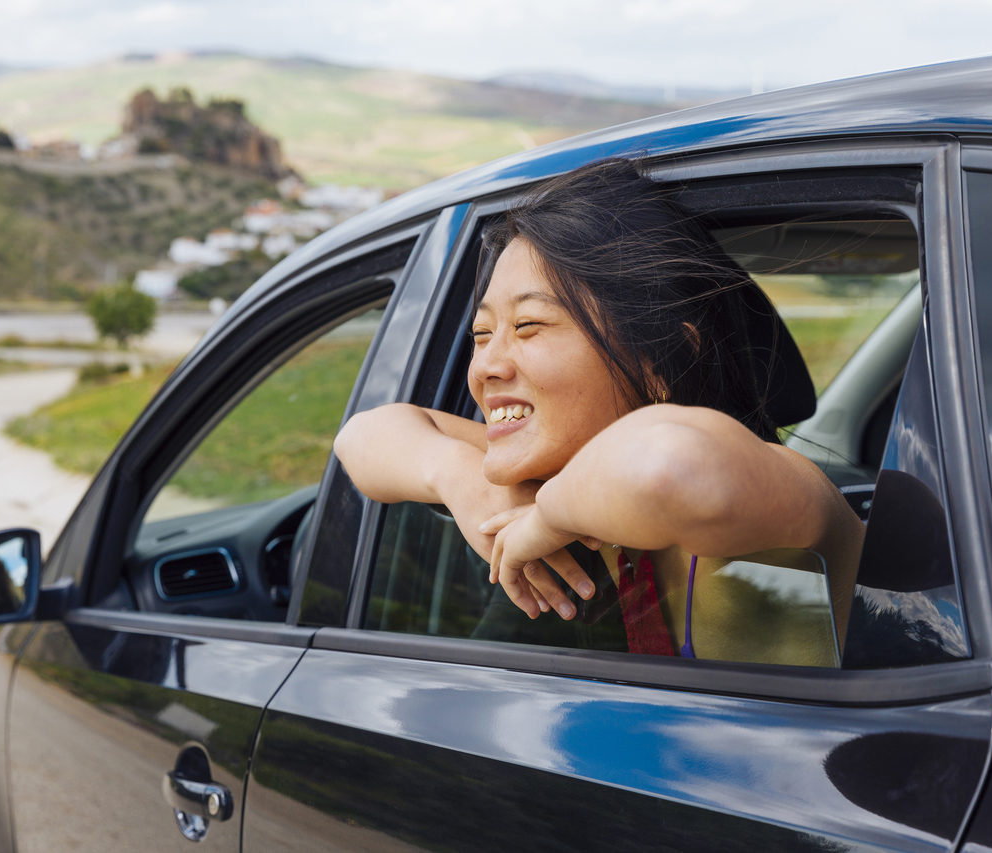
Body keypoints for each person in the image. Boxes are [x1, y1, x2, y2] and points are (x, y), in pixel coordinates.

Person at [334, 158, 864, 663]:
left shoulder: (780, 490)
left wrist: (546, 516)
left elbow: (670, 467)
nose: (484, 368)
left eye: (528, 326)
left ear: (659, 362)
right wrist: (465, 483)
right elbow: (361, 436)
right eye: (481, 334)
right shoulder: (560, 469)